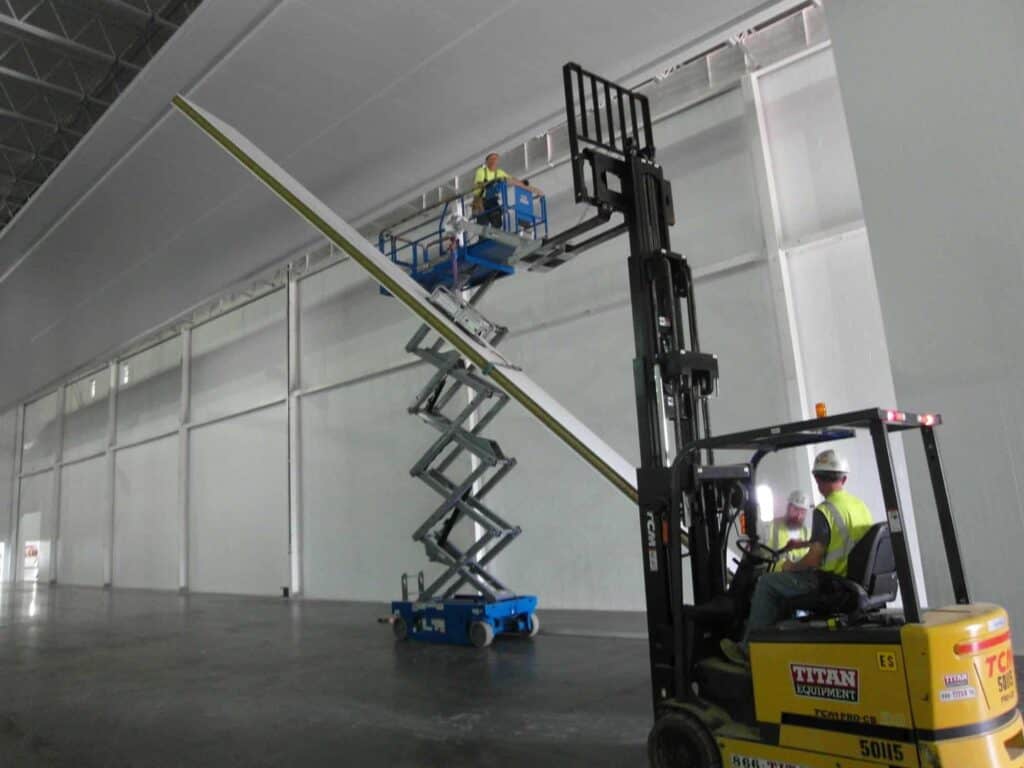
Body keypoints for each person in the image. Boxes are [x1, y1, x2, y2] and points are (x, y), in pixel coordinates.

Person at [721, 449, 873, 665]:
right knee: (783, 587)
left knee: (766, 584)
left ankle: (747, 651)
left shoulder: (825, 510)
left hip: (830, 584)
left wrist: (791, 566)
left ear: (817, 480)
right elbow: (843, 538)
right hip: (852, 583)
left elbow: (813, 560)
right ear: (844, 479)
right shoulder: (860, 506)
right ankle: (779, 642)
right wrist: (802, 544)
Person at [472, 152, 541, 228]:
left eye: (495, 159)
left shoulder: (499, 173)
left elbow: (513, 181)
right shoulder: (481, 171)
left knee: (497, 222)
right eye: (491, 159)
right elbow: (479, 186)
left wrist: (535, 190)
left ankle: (495, 234)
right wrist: (494, 182)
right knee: (482, 225)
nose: (493, 161)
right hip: (480, 200)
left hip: (492, 200)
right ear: (486, 162)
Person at [768, 490, 812, 567]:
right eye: (795, 509)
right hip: (776, 573)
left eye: (802, 512)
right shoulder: (770, 527)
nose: (798, 516)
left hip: (800, 574)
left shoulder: (808, 532)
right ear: (788, 507)